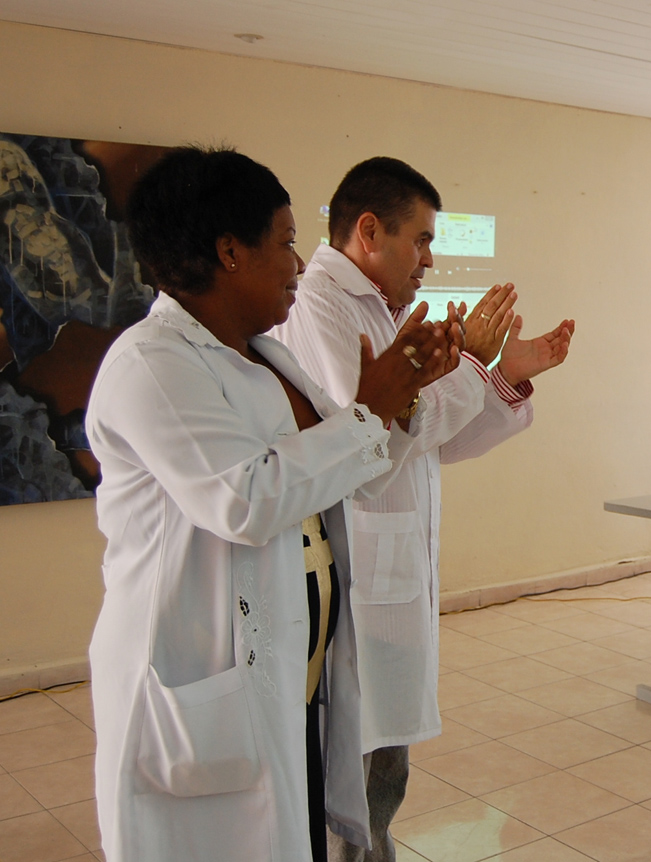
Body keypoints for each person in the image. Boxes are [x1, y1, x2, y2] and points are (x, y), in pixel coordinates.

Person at [86, 147, 458, 862]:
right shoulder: (152, 364)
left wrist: (395, 398)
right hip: (202, 682)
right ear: (229, 251)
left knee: (297, 832)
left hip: (290, 672)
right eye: (286, 243)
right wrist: (369, 411)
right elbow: (247, 498)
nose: (297, 264)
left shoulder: (263, 356)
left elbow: (344, 474)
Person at [270, 156, 574, 862]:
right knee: (350, 774)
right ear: (370, 231)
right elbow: (373, 435)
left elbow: (430, 441)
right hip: (354, 574)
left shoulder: (385, 311)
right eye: (423, 240)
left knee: (384, 772)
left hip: (393, 574)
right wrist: (468, 366)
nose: (430, 260)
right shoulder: (322, 304)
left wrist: (503, 373)